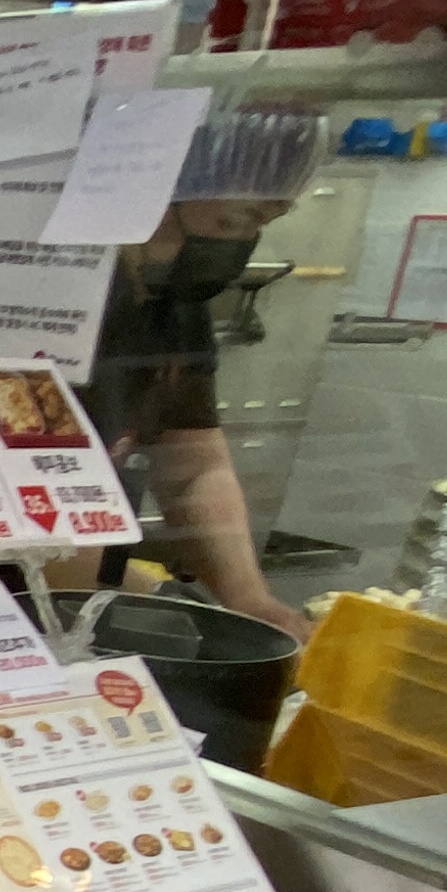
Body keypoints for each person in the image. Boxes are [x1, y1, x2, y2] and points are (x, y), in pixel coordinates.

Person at [76, 105, 328, 640]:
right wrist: (161, 604)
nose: (240, 241)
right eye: (235, 220)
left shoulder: (171, 299)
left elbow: (192, 466)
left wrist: (249, 601)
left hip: (81, 599)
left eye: (263, 222)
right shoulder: (52, 296)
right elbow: (4, 519)